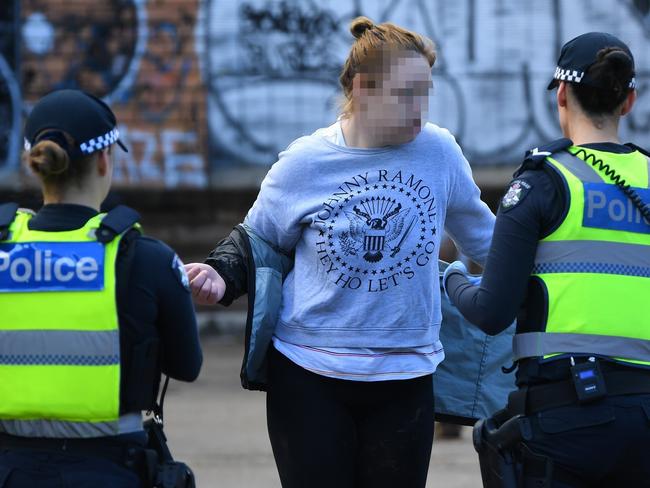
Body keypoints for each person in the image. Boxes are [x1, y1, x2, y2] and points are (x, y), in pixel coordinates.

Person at [186, 17, 495, 488]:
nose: (419, 109)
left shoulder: (440, 153)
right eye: (405, 93)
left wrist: (559, 270)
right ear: (363, 89)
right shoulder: (304, 161)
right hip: (309, 375)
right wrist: (220, 274)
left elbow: (488, 242)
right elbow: (256, 238)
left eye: (425, 92)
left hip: (406, 375)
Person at [444, 32, 650, 487]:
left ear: (561, 93)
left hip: (567, 421)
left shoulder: (543, 181)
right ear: (629, 101)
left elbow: (491, 311)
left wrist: (452, 279)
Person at [0, 89, 202, 487]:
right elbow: (186, 365)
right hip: (109, 468)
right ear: (104, 159)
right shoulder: (145, 258)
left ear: (35, 163)